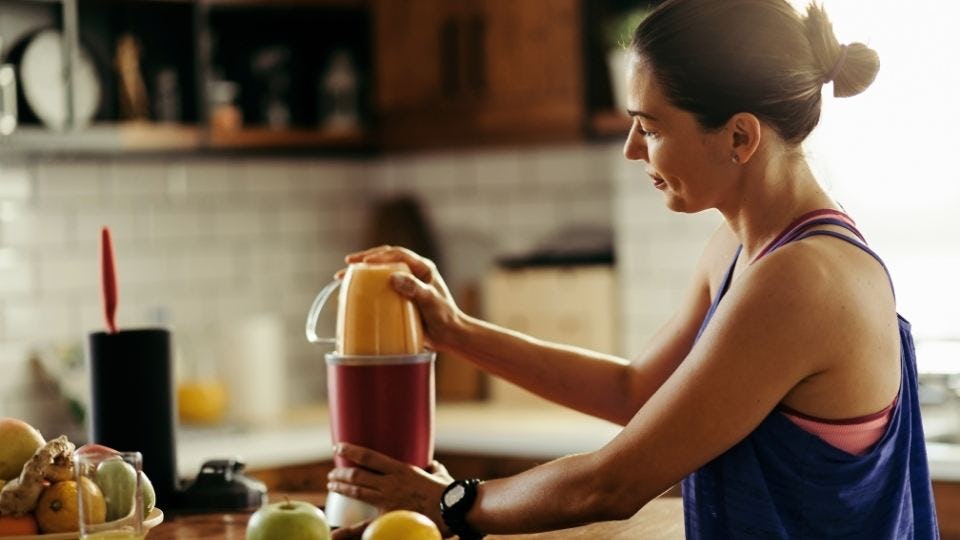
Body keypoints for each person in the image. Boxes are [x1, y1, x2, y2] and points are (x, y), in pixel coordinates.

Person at [327, 0, 939, 537]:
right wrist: (457, 330)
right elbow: (638, 392)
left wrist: (449, 503)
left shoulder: (802, 278)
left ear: (739, 137)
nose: (632, 148)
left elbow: (613, 484)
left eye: (650, 126)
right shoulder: (739, 249)